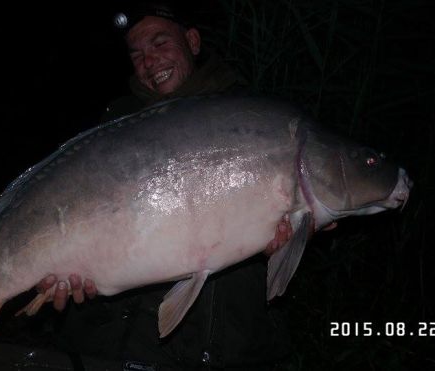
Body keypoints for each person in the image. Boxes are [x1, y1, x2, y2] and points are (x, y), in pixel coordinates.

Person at [36, 2, 293, 370]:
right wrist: (69, 272)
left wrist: (288, 238)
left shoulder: (252, 115)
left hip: (232, 347)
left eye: (160, 44)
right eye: (138, 54)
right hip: (124, 347)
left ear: (192, 40)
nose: (150, 61)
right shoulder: (115, 127)